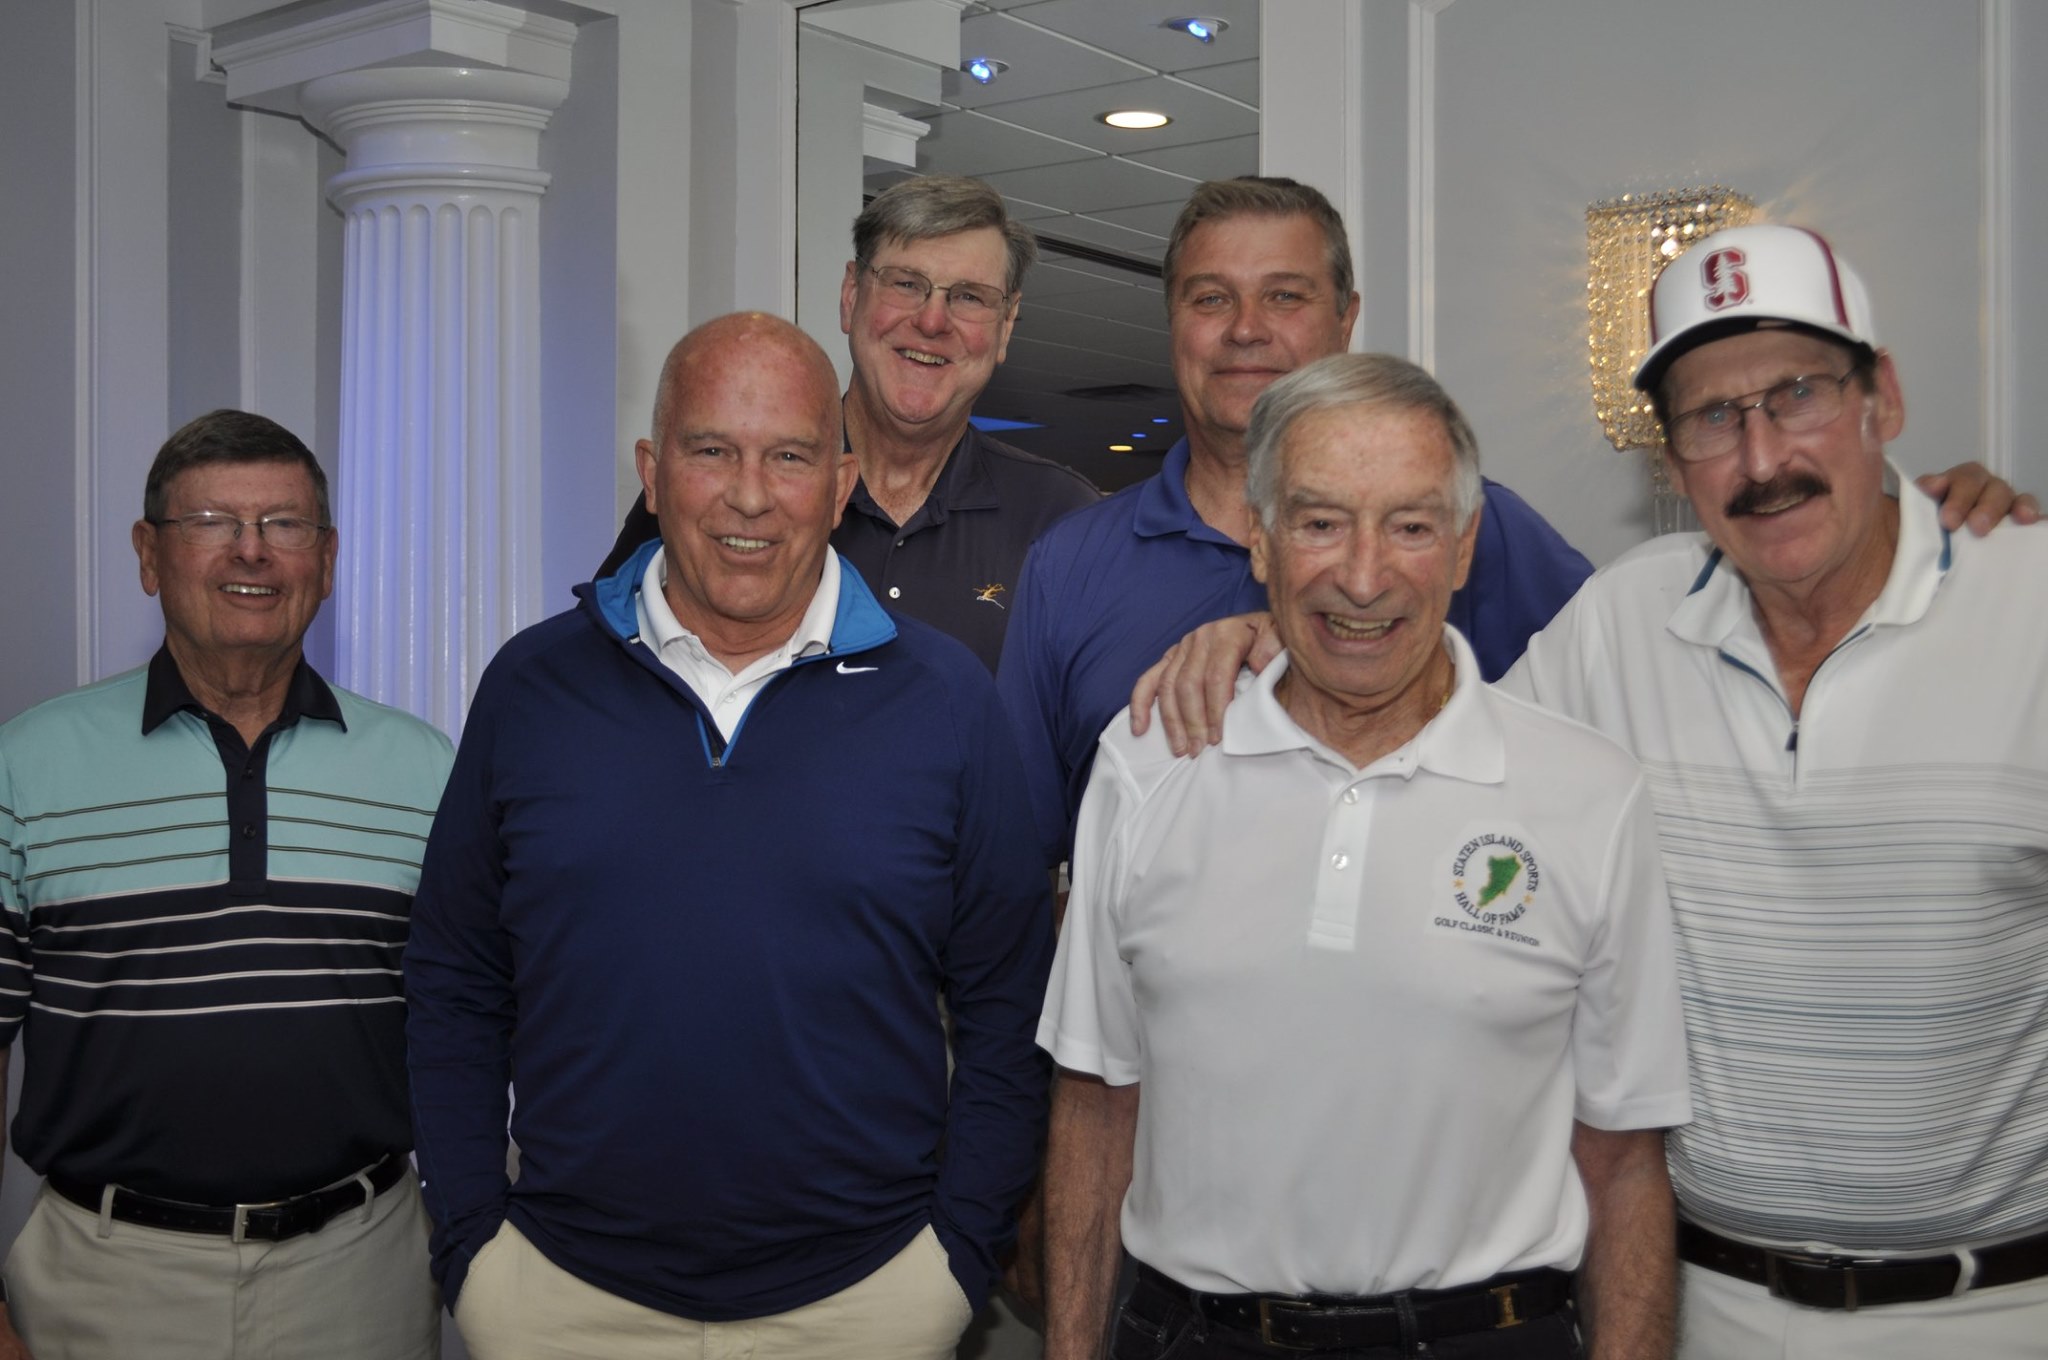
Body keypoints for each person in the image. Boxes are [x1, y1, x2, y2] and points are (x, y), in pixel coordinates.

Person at [405, 312, 1054, 1360]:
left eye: (789, 456)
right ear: (653, 473)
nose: (749, 495)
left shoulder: (944, 701)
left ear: (838, 486)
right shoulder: (531, 688)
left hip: (868, 1301)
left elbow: (1007, 1001)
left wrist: (953, 1258)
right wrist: (473, 1245)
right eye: (711, 450)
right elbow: (454, 976)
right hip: (562, 1299)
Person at [1038, 353, 1692, 1360]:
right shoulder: (1144, 764)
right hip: (1196, 1337)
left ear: (1465, 546)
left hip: (1488, 1336)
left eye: (1410, 524)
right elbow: (1093, 1107)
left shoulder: (1587, 794)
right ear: (1258, 540)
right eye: (1318, 521)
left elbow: (1623, 1161)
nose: (1361, 574)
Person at [1497, 223, 2048, 1357]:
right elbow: (1430, 766)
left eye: (1794, 394)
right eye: (1710, 418)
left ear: (1879, 399)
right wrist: (1282, 635)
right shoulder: (1618, 623)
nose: (1759, 460)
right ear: (1666, 461)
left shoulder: (2030, 604)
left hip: (2001, 1307)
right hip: (1710, 1308)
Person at [0, 410, 453, 1360]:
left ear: (324, 561)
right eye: (210, 521)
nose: (251, 553)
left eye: (285, 525)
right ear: (148, 554)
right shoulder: (26, 766)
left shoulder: (426, 774)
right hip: (104, 1281)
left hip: (360, 1275)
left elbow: (474, 1030)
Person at [995, 176, 1593, 870]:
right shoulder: (1069, 563)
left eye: (1285, 295)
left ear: (1345, 320)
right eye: (1211, 298)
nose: (1246, 328)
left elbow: (1611, 742)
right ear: (1173, 324)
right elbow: (1015, 862)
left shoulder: (1468, 533)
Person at [601, 174, 1098, 673]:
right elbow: (603, 668)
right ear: (850, 294)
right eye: (906, 284)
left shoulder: (1063, 519)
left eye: (969, 297)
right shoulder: (719, 492)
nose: (932, 322)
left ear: (1006, 324)